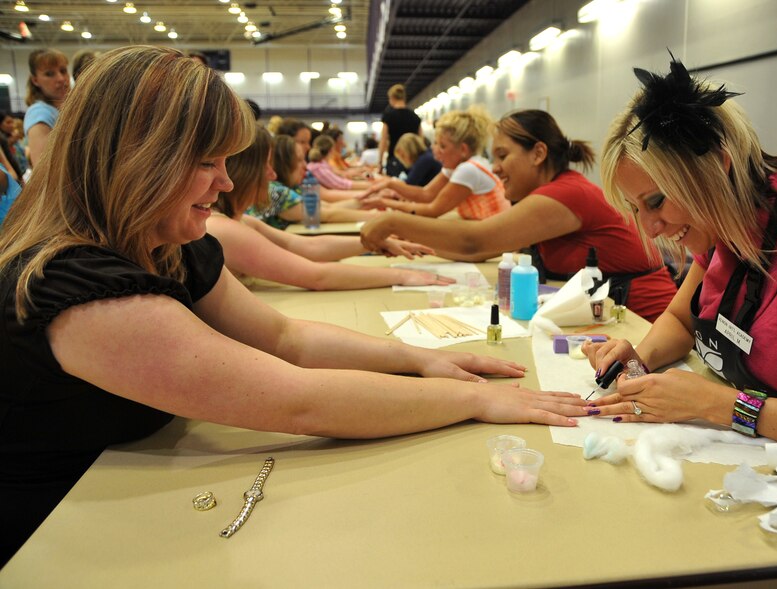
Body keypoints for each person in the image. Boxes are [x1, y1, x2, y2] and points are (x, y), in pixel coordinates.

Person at [0, 46, 588, 564]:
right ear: (134, 162)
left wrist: (417, 359)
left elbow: (285, 338)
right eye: (206, 163)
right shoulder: (76, 286)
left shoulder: (168, 245)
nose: (227, 185)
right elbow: (300, 401)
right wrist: (473, 399)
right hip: (60, 543)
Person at [584, 55, 777, 468]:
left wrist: (726, 406)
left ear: (717, 166)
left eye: (657, 201)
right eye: (637, 210)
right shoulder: (717, 233)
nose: (651, 228)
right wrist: (637, 359)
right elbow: (680, 320)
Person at [360, 110, 677, 322]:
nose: (495, 167)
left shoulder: (566, 194)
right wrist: (409, 240)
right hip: (610, 318)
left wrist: (393, 222)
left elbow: (475, 241)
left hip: (644, 323)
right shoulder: (547, 193)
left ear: (538, 154)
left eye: (502, 156)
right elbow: (485, 249)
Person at [211, 125, 441, 291]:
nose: (272, 175)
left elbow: (306, 244)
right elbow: (316, 275)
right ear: (245, 171)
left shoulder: (239, 221)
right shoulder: (225, 228)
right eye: (266, 166)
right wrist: (400, 275)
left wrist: (373, 242)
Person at [361, 108, 510, 220]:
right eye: (435, 144)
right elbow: (426, 194)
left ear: (463, 149)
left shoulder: (469, 169)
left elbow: (432, 210)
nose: (435, 150)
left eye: (442, 146)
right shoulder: (456, 166)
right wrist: (390, 185)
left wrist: (385, 202)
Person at [248, 135, 376, 228]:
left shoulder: (293, 186)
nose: (305, 165)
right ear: (284, 164)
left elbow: (326, 206)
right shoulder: (276, 192)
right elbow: (328, 213)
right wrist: (381, 217)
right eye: (299, 160)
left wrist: (366, 200)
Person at [24, 48, 70, 168]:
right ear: (35, 80)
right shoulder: (39, 113)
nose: (61, 78)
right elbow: (43, 171)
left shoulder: (64, 108)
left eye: (63, 71)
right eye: (49, 74)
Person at [379, 83, 421, 176]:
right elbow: (420, 140)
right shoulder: (415, 117)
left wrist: (380, 163)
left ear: (392, 98)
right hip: (413, 159)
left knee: (393, 187)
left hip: (395, 158)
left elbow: (383, 141)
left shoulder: (388, 116)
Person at [307, 135, 371, 191]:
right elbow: (341, 182)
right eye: (342, 139)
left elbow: (342, 174)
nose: (344, 142)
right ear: (333, 146)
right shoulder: (319, 166)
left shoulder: (323, 164)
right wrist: (374, 185)